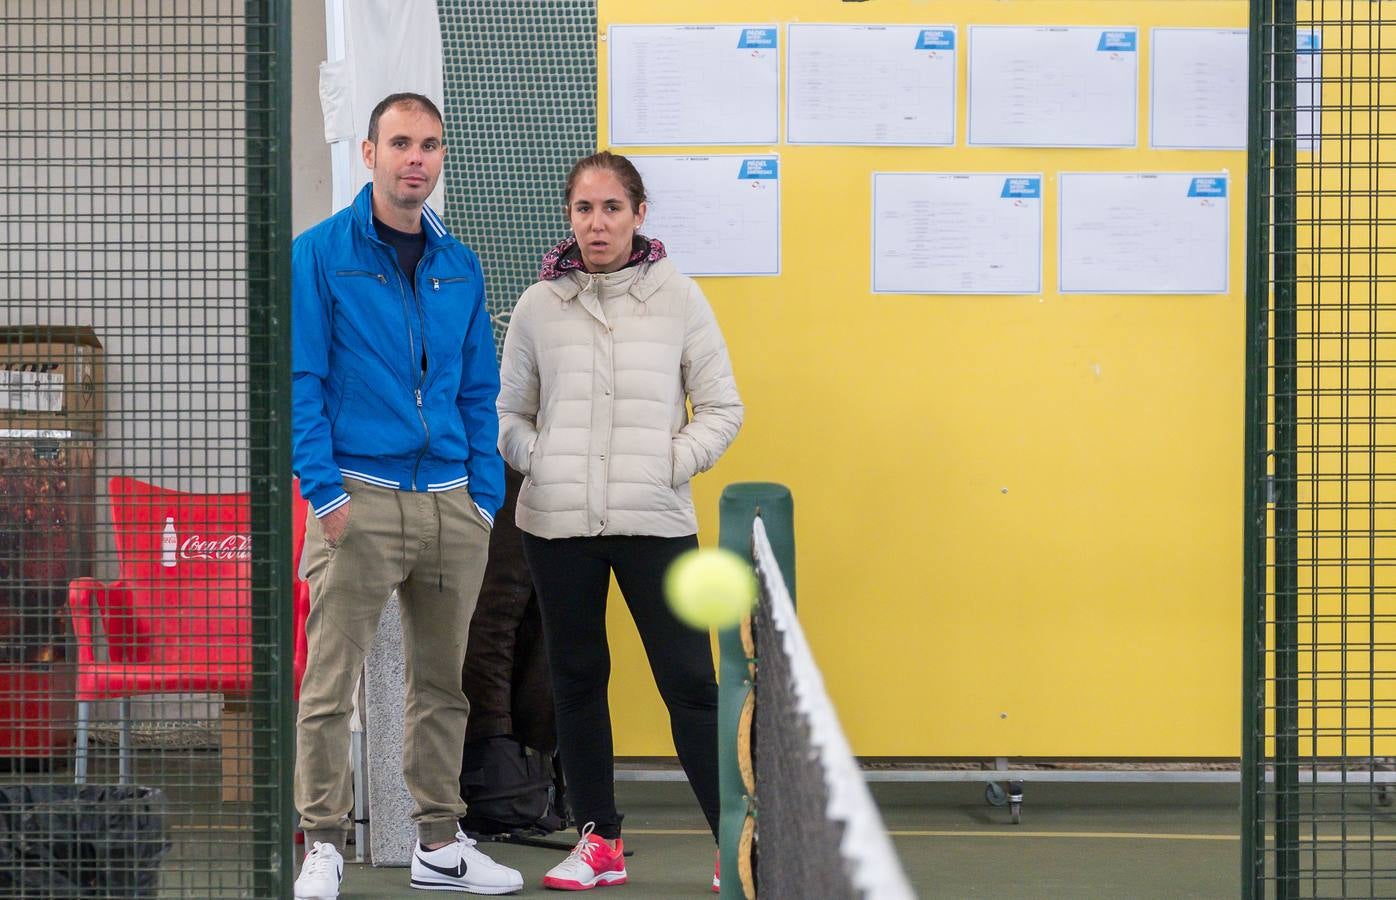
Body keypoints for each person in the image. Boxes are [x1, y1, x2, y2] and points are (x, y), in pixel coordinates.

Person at [290, 92, 523, 899]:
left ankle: (439, 845)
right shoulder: (319, 253)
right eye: (399, 144)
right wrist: (324, 494)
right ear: (369, 154)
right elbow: (302, 381)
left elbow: (477, 386)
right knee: (329, 681)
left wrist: (482, 498)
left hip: (452, 504)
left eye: (428, 145)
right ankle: (322, 844)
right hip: (357, 497)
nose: (414, 158)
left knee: (443, 685)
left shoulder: (460, 263)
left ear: (439, 157)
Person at [497, 151, 744, 892]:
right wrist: (538, 457)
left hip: (654, 517)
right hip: (556, 521)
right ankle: (598, 841)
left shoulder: (680, 299)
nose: (597, 223)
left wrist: (668, 463)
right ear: (568, 218)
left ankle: (734, 843)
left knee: (690, 684)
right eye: (583, 209)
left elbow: (724, 408)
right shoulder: (541, 305)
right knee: (575, 680)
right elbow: (508, 412)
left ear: (639, 214)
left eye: (611, 208)